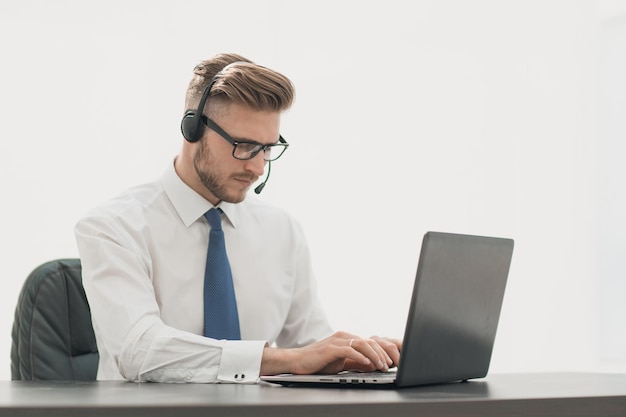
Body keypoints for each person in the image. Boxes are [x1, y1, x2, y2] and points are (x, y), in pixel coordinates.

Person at [75, 53, 402, 383]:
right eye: (244, 146)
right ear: (193, 128)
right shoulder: (113, 227)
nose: (258, 168)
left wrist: (357, 354)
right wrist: (280, 359)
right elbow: (138, 350)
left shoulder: (282, 232)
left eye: (268, 149)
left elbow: (309, 345)